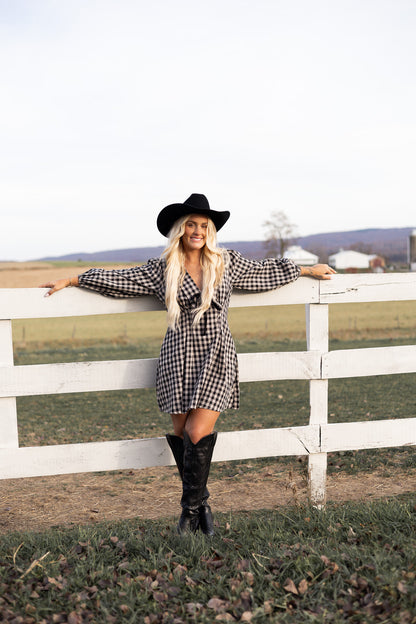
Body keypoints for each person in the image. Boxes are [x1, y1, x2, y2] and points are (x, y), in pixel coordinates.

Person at [41, 193, 335, 536]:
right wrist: (75, 279)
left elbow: (264, 273)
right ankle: (201, 510)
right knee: (183, 436)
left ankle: (187, 513)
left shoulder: (227, 262)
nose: (197, 230)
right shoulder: (162, 268)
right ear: (180, 230)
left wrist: (305, 270)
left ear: (210, 231)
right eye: (191, 225)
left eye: (203, 226)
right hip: (177, 357)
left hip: (215, 354)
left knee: (197, 432)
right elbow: (120, 281)